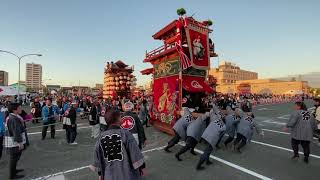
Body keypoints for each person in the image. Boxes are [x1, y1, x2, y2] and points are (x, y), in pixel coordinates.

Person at [90, 108, 145, 180]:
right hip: (127, 173)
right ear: (118, 119)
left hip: (109, 174)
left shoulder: (101, 137)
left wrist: (100, 173)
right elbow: (135, 153)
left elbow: (97, 157)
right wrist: (142, 167)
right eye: (120, 117)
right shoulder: (126, 134)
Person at [5, 103, 26, 179]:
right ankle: (12, 175)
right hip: (14, 143)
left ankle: (14, 170)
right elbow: (16, 131)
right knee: (14, 158)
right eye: (19, 108)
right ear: (14, 110)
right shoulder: (13, 118)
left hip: (13, 141)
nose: (21, 109)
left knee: (15, 157)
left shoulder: (13, 116)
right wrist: (20, 143)